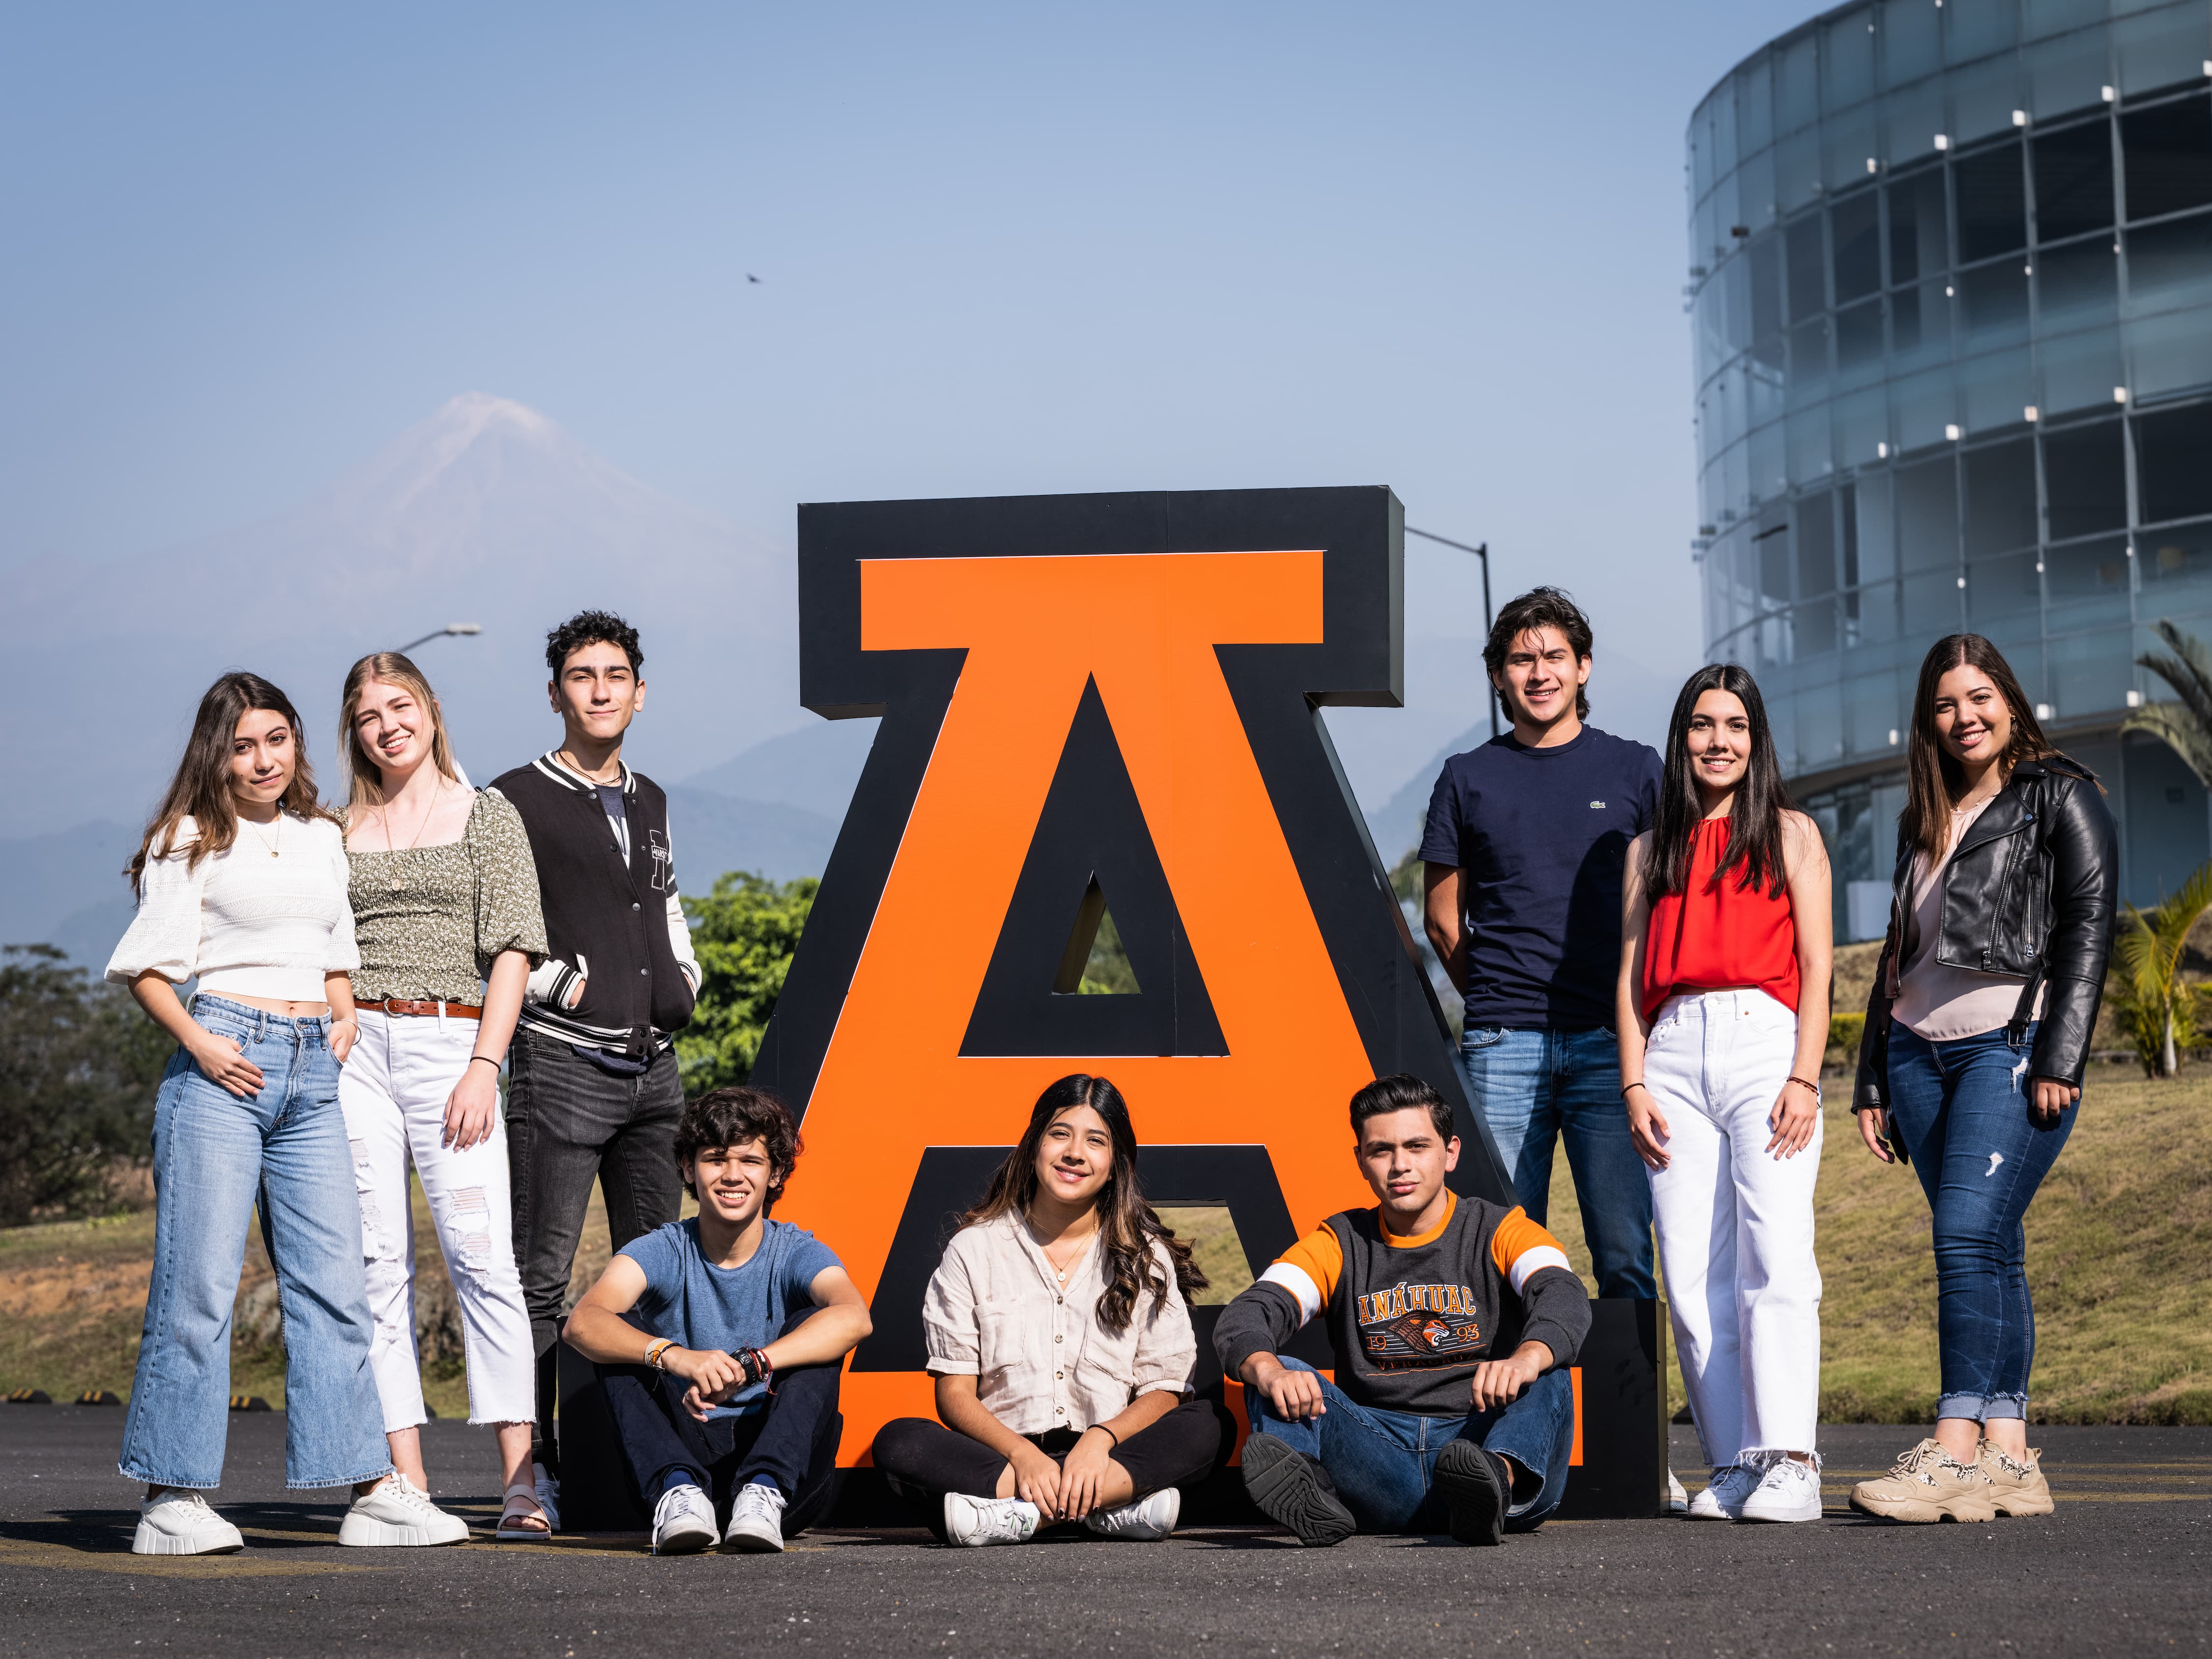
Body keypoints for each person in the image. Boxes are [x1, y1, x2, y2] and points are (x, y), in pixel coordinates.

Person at [106, 672, 459, 1555]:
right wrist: (201, 1043)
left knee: (337, 1288)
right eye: (242, 746)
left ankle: (373, 1489)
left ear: (297, 742)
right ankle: (172, 1498)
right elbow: (148, 967)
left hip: (312, 1075)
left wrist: (339, 1007)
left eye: (277, 740)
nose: (263, 761)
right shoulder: (188, 839)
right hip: (223, 1061)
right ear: (216, 756)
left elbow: (331, 940)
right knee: (199, 1290)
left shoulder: (318, 836)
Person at [1848, 635, 2116, 1523]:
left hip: (2009, 1046)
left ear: (2010, 699)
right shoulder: (1923, 815)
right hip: (1919, 1055)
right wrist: (1873, 1075)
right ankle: (2011, 1457)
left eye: (1979, 697)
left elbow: (2087, 930)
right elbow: (1900, 955)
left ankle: (1953, 1451)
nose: (1965, 717)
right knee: (1990, 1248)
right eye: (1946, 705)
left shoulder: (2060, 796)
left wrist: (2061, 1056)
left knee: (1965, 1237)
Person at [335, 651, 551, 1541]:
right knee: (376, 1266)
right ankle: (403, 1479)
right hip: (354, 1052)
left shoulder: (486, 814)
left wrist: (484, 1064)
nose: (388, 724)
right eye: (368, 714)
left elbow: (514, 949)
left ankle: (523, 1483)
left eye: (401, 705)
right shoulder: (329, 828)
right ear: (354, 733)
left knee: (482, 1260)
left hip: (448, 1043)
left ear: (429, 709)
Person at [490, 610, 703, 1510]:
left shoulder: (650, 795)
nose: (602, 689)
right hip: (562, 1068)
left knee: (658, 1275)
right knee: (537, 1280)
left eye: (617, 675)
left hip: (654, 1070)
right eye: (583, 676)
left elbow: (663, 896)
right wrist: (556, 985)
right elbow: (490, 926)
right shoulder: (510, 800)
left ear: (640, 693)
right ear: (556, 694)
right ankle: (527, 1475)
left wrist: (683, 973)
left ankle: (650, 1471)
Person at [1616, 665, 1832, 1524]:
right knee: (1691, 1271)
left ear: (1756, 739)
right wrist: (1633, 1080)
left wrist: (1806, 1076)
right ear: (1683, 740)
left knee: (1775, 1254)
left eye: (1735, 726)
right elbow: (1630, 979)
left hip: (1764, 1042)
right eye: (1703, 725)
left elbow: (1818, 967)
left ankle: (1793, 1460)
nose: (1718, 741)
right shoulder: (1648, 848)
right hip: (1670, 1053)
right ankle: (1738, 1460)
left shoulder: (1791, 834)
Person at [1214, 1073, 1589, 1546]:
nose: (1400, 1166)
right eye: (1381, 1151)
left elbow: (1563, 1291)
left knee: (1547, 1366)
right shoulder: (1340, 1242)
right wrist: (1267, 1370)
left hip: (1476, 1442)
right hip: (1378, 1461)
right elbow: (1247, 1314)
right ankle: (1313, 1497)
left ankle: (1496, 1484)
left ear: (1449, 1153)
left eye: (1416, 1146)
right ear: (1361, 1161)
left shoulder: (1500, 1229)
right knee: (1277, 1370)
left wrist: (1527, 1357)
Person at [1418, 587, 1664, 1304]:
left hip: (1610, 1043)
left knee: (1623, 1247)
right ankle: (1511, 1408)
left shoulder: (1637, 768)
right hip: (1502, 1042)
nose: (1539, 671)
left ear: (1584, 666)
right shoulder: (1468, 775)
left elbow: (1668, 900)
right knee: (1499, 1247)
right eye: (1521, 659)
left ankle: (1627, 1412)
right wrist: (1498, 996)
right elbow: (1442, 918)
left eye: (1555, 654)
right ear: (1498, 675)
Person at [872, 1075, 1230, 1547]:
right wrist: (1023, 1456)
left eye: (1095, 1140)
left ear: (1115, 1163)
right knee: (899, 1442)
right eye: (1060, 1133)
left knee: (1210, 1425)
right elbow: (954, 1395)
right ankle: (1106, 1508)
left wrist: (1099, 1441)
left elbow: (1165, 1390)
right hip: (1006, 1459)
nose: (1075, 1152)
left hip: (1107, 1455)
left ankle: (1021, 1517)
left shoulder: (1146, 1256)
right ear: (1034, 1145)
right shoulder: (974, 1249)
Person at [563, 1086, 869, 1554]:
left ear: (776, 1173)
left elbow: (855, 1317)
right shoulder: (664, 1248)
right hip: (683, 1457)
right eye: (715, 1159)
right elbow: (582, 1321)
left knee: (819, 1326)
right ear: (688, 1167)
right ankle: (678, 1490)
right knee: (620, 1334)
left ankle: (763, 1487)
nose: (732, 1176)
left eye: (750, 1161)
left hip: (784, 1477)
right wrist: (676, 1357)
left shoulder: (796, 1249)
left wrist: (753, 1363)